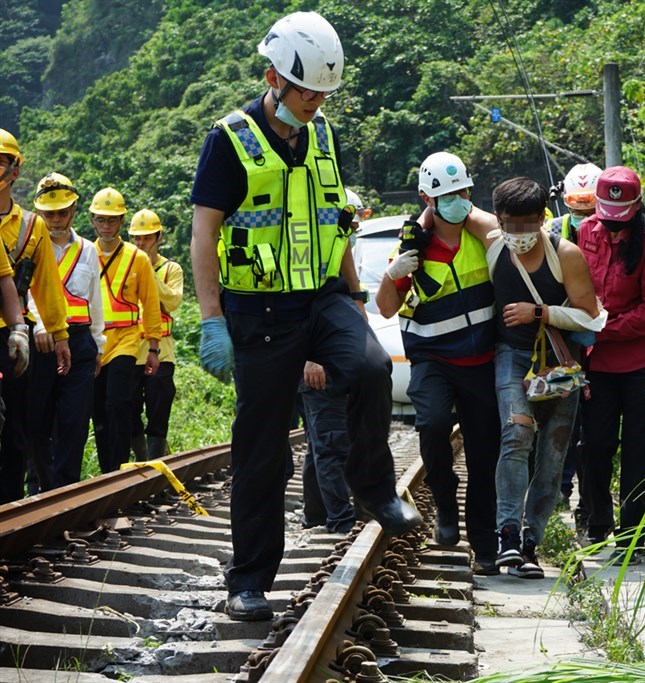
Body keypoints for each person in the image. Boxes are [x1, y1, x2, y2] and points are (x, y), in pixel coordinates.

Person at [189, 11, 421, 622]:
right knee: (261, 446)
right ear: (273, 77)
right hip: (258, 310)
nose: (317, 103)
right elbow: (203, 235)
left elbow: (333, 219)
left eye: (324, 93)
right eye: (308, 91)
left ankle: (373, 490)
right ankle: (248, 580)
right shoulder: (228, 140)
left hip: (321, 297)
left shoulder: (324, 136)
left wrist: (352, 291)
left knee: (372, 367)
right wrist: (212, 319)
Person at [455, 176, 602, 579]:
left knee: (553, 454)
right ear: (499, 218)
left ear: (542, 218)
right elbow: (452, 207)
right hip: (512, 356)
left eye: (527, 224)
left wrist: (542, 312)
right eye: (509, 224)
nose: (518, 234)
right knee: (517, 433)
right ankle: (507, 535)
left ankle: (531, 543)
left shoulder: (564, 254)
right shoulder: (492, 239)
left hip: (559, 362)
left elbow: (592, 315)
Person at [375, 152, 501, 575]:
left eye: (462, 192)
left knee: (485, 456)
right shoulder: (412, 245)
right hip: (431, 356)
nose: (456, 200)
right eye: (446, 195)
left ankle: (484, 547)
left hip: (481, 360)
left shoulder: (481, 235)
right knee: (430, 425)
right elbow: (387, 309)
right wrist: (395, 273)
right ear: (427, 197)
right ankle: (445, 505)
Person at [577, 166, 645, 563]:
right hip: (596, 364)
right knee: (594, 446)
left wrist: (599, 328)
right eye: (607, 222)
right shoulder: (584, 234)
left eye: (621, 223)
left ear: (635, 207)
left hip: (641, 365)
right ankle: (597, 525)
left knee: (638, 451)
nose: (614, 231)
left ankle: (635, 536)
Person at [0, 130, 70, 504]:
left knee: (15, 425)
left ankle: (9, 506)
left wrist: (59, 336)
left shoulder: (30, 227)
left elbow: (46, 286)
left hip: (12, 334)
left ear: (14, 171)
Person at [298, 188, 371, 535]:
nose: (351, 237)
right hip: (317, 364)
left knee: (321, 441)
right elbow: (299, 312)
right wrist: (309, 358)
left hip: (338, 363)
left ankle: (317, 514)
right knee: (330, 442)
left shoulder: (339, 259)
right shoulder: (311, 258)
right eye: (350, 230)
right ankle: (341, 522)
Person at [26, 173, 105, 491]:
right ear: (40, 213)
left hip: (80, 339)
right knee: (37, 420)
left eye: (63, 212)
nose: (56, 219)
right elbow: (26, 293)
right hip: (40, 341)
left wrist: (98, 344)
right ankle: (39, 491)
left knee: (74, 420)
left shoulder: (88, 250)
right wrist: (42, 326)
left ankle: (66, 492)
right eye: (49, 213)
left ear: (74, 210)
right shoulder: (28, 246)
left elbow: (94, 300)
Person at [91, 188, 162, 475]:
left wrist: (154, 348)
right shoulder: (83, 252)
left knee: (118, 402)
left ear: (122, 221)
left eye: (112, 220)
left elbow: (151, 304)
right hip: (94, 341)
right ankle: (107, 469)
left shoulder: (138, 258)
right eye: (101, 220)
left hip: (126, 340)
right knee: (99, 409)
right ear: (93, 221)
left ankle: (119, 469)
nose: (106, 226)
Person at [547, 162, 602, 523]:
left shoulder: (615, 231)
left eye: (589, 207)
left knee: (594, 427)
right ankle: (560, 492)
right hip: (562, 341)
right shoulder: (552, 230)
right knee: (563, 419)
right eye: (576, 207)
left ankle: (590, 503)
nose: (582, 215)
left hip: (602, 339)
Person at [127, 209, 183, 460]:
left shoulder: (171, 269)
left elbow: (171, 302)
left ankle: (156, 462)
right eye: (137, 238)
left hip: (162, 350)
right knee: (127, 407)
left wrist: (148, 272)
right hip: (128, 348)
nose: (141, 243)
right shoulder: (125, 265)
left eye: (147, 238)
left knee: (159, 407)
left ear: (159, 237)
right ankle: (142, 460)